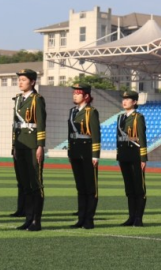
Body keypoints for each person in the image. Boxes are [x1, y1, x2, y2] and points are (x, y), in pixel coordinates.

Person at [12, 69, 46, 232]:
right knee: (25, 183)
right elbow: (15, 125)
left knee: (35, 183)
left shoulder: (37, 99)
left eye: (24, 80)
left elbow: (40, 123)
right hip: (21, 145)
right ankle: (28, 218)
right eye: (19, 80)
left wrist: (40, 145)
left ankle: (36, 220)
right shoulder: (18, 99)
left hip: (33, 145)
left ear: (32, 82)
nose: (20, 82)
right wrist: (14, 145)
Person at [67, 84, 101, 229]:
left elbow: (95, 134)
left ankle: (89, 219)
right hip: (75, 152)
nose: (75, 95)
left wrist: (95, 155)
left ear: (86, 96)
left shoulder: (91, 112)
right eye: (74, 93)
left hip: (87, 152)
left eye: (78, 93)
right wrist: (70, 151)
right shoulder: (72, 111)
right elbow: (70, 134)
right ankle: (81, 218)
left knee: (90, 187)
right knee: (80, 187)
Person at [117, 90, 148, 227]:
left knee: (138, 188)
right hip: (124, 155)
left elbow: (141, 137)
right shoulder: (120, 118)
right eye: (123, 99)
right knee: (129, 188)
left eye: (128, 99)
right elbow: (119, 138)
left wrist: (143, 158)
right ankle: (131, 217)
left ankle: (138, 218)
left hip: (135, 154)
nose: (124, 101)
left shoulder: (138, 117)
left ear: (134, 102)